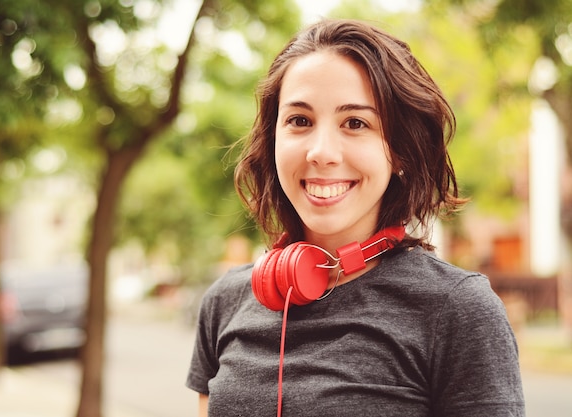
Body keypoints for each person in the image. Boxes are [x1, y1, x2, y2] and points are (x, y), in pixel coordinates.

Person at [186, 18, 525, 417]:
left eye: (356, 123)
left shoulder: (458, 310)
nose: (321, 152)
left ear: (398, 151)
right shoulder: (226, 301)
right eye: (300, 121)